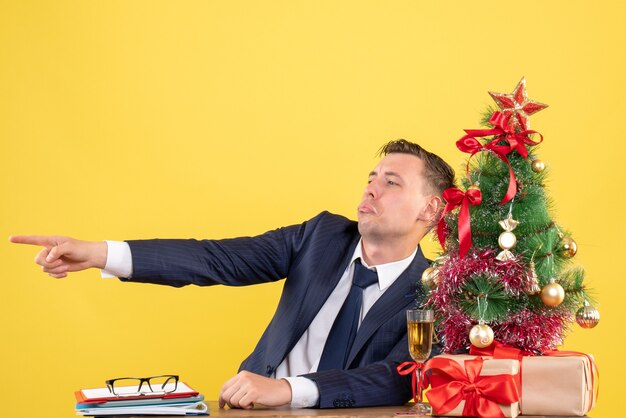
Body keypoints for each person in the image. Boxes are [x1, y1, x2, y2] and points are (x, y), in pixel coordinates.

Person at [10, 139, 455, 410]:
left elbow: (399, 377)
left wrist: (287, 389)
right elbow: (215, 259)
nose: (371, 187)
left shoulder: (439, 289)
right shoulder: (319, 237)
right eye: (371, 176)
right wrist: (99, 253)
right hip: (250, 412)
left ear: (431, 209)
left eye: (392, 182)